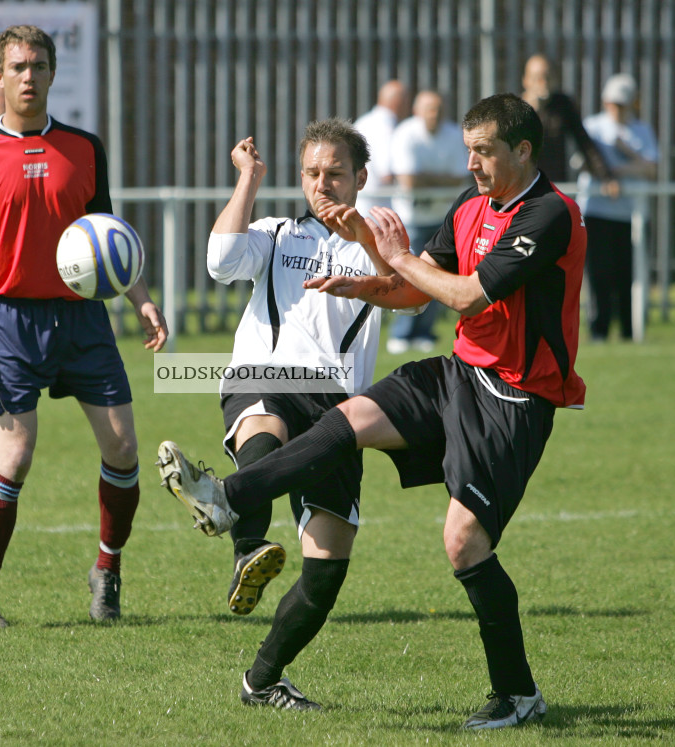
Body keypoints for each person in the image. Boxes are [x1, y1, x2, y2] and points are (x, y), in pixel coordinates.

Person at [158, 93, 587, 730]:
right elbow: (416, 291)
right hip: (455, 373)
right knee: (353, 420)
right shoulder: (468, 209)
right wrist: (369, 283)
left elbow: (466, 295)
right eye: (467, 149)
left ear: (523, 150)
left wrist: (389, 258)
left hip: (514, 397)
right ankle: (228, 502)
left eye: (485, 151)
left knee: (463, 544)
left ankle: (518, 694)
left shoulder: (551, 213)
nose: (471, 163)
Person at [0, 25, 168, 628]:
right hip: (10, 318)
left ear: (53, 73)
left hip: (84, 318)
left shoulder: (85, 148)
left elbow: (107, 234)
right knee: (14, 455)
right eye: (16, 67)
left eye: (38, 65)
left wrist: (140, 296)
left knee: (123, 446)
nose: (28, 76)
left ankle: (107, 571)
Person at [163, 119, 395, 695]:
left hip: (339, 404)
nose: (323, 185)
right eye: (312, 174)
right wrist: (248, 179)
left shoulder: (380, 241)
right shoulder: (276, 231)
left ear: (361, 177)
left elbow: (407, 292)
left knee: (325, 571)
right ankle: (246, 545)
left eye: (336, 174)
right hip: (263, 374)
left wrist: (369, 245)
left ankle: (262, 681)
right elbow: (220, 261)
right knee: (265, 422)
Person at [576, 73, 659, 342]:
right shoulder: (593, 126)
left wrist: (623, 159)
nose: (615, 108)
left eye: (621, 104)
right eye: (611, 103)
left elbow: (651, 169)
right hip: (596, 211)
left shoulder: (641, 130)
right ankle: (599, 330)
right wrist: (621, 172)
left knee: (627, 274)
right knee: (599, 272)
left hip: (630, 214)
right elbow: (584, 161)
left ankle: (628, 330)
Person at [386, 90, 469, 354]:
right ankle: (401, 333)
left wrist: (426, 178)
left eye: (438, 109)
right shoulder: (405, 134)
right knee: (409, 276)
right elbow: (408, 180)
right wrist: (440, 180)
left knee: (436, 278)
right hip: (413, 219)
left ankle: (424, 332)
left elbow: (459, 178)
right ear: (417, 111)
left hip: (443, 219)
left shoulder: (455, 134)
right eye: (429, 109)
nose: (434, 114)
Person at [520, 53, 615, 185]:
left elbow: (584, 143)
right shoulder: (516, 109)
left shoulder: (563, 105)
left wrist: (606, 177)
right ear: (526, 81)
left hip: (554, 183)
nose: (543, 82)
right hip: (523, 185)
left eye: (548, 77)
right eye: (537, 78)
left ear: (555, 79)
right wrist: (534, 109)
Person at [353, 80, 409, 219]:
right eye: (407, 100)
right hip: (378, 211)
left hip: (360, 203)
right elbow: (387, 173)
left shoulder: (363, 122)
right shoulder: (387, 128)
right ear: (398, 102)